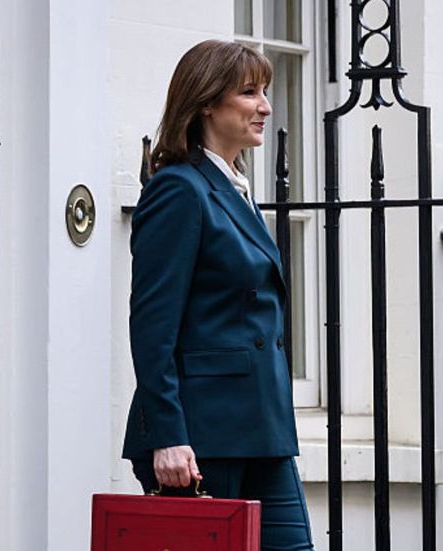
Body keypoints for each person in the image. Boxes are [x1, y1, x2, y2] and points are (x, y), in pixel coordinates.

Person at [121, 40, 313, 548]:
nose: (265, 107)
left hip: (262, 430)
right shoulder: (179, 190)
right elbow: (153, 327)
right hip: (201, 438)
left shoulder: (233, 189)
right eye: (249, 93)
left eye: (265, 92)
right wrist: (168, 436)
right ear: (206, 101)